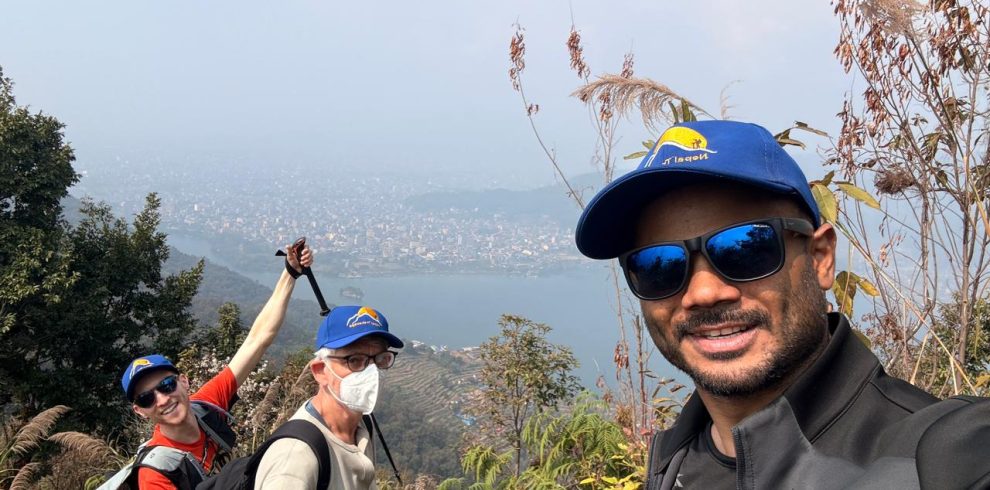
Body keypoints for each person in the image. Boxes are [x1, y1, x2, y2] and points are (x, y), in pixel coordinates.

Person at [574, 120, 990, 489]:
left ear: (821, 258)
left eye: (745, 249)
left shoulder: (933, 454)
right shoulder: (673, 459)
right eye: (658, 266)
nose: (702, 294)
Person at [120, 242, 313, 489]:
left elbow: (257, 340)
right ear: (140, 411)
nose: (162, 399)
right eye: (147, 398)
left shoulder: (206, 407)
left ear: (184, 382)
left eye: (167, 385)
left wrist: (290, 272)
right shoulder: (156, 474)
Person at [253, 305, 403, 489]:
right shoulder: (294, 460)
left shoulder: (362, 425)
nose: (370, 372)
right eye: (355, 360)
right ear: (321, 371)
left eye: (380, 359)